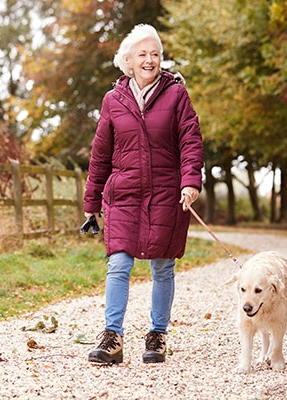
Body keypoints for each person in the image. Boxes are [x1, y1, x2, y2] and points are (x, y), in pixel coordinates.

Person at [83, 23, 204, 364]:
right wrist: (91, 202)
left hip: (167, 192)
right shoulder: (113, 100)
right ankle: (112, 337)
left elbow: (191, 140)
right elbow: (100, 154)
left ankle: (157, 335)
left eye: (155, 54)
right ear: (129, 60)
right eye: (143, 54)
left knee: (162, 266)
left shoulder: (177, 95)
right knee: (118, 263)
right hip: (123, 194)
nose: (150, 59)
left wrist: (190, 180)